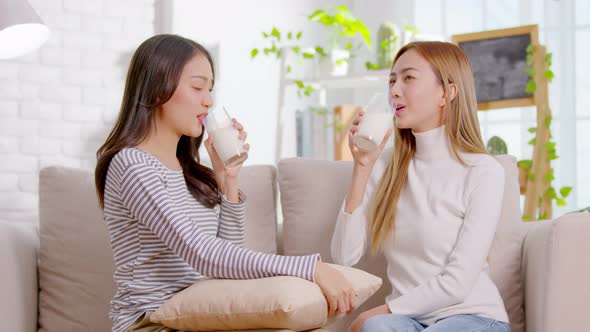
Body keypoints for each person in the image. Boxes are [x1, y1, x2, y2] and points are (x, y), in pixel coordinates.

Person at [95, 34, 355, 332]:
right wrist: (310, 268)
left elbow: (224, 268)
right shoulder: (132, 165)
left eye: (210, 88)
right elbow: (203, 254)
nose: (209, 100)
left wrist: (228, 180)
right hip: (150, 323)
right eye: (197, 87)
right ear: (157, 90)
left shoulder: (185, 171)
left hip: (201, 315)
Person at [331, 41, 511, 332]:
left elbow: (458, 282)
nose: (394, 90)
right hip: (409, 320)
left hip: (474, 317)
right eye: (392, 80)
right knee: (377, 328)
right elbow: (344, 257)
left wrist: (380, 310)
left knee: (374, 321)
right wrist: (362, 167)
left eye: (408, 78)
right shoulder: (385, 167)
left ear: (447, 92)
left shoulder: (483, 171)